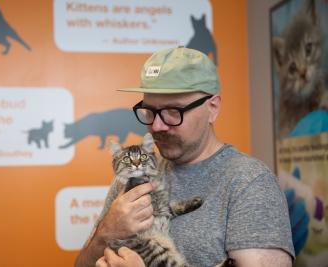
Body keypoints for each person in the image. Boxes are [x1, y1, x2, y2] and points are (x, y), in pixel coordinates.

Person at [75, 46, 295, 267]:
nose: (156, 125)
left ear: (213, 108)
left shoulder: (250, 183)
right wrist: (105, 233)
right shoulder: (133, 175)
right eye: (149, 111)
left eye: (173, 111)